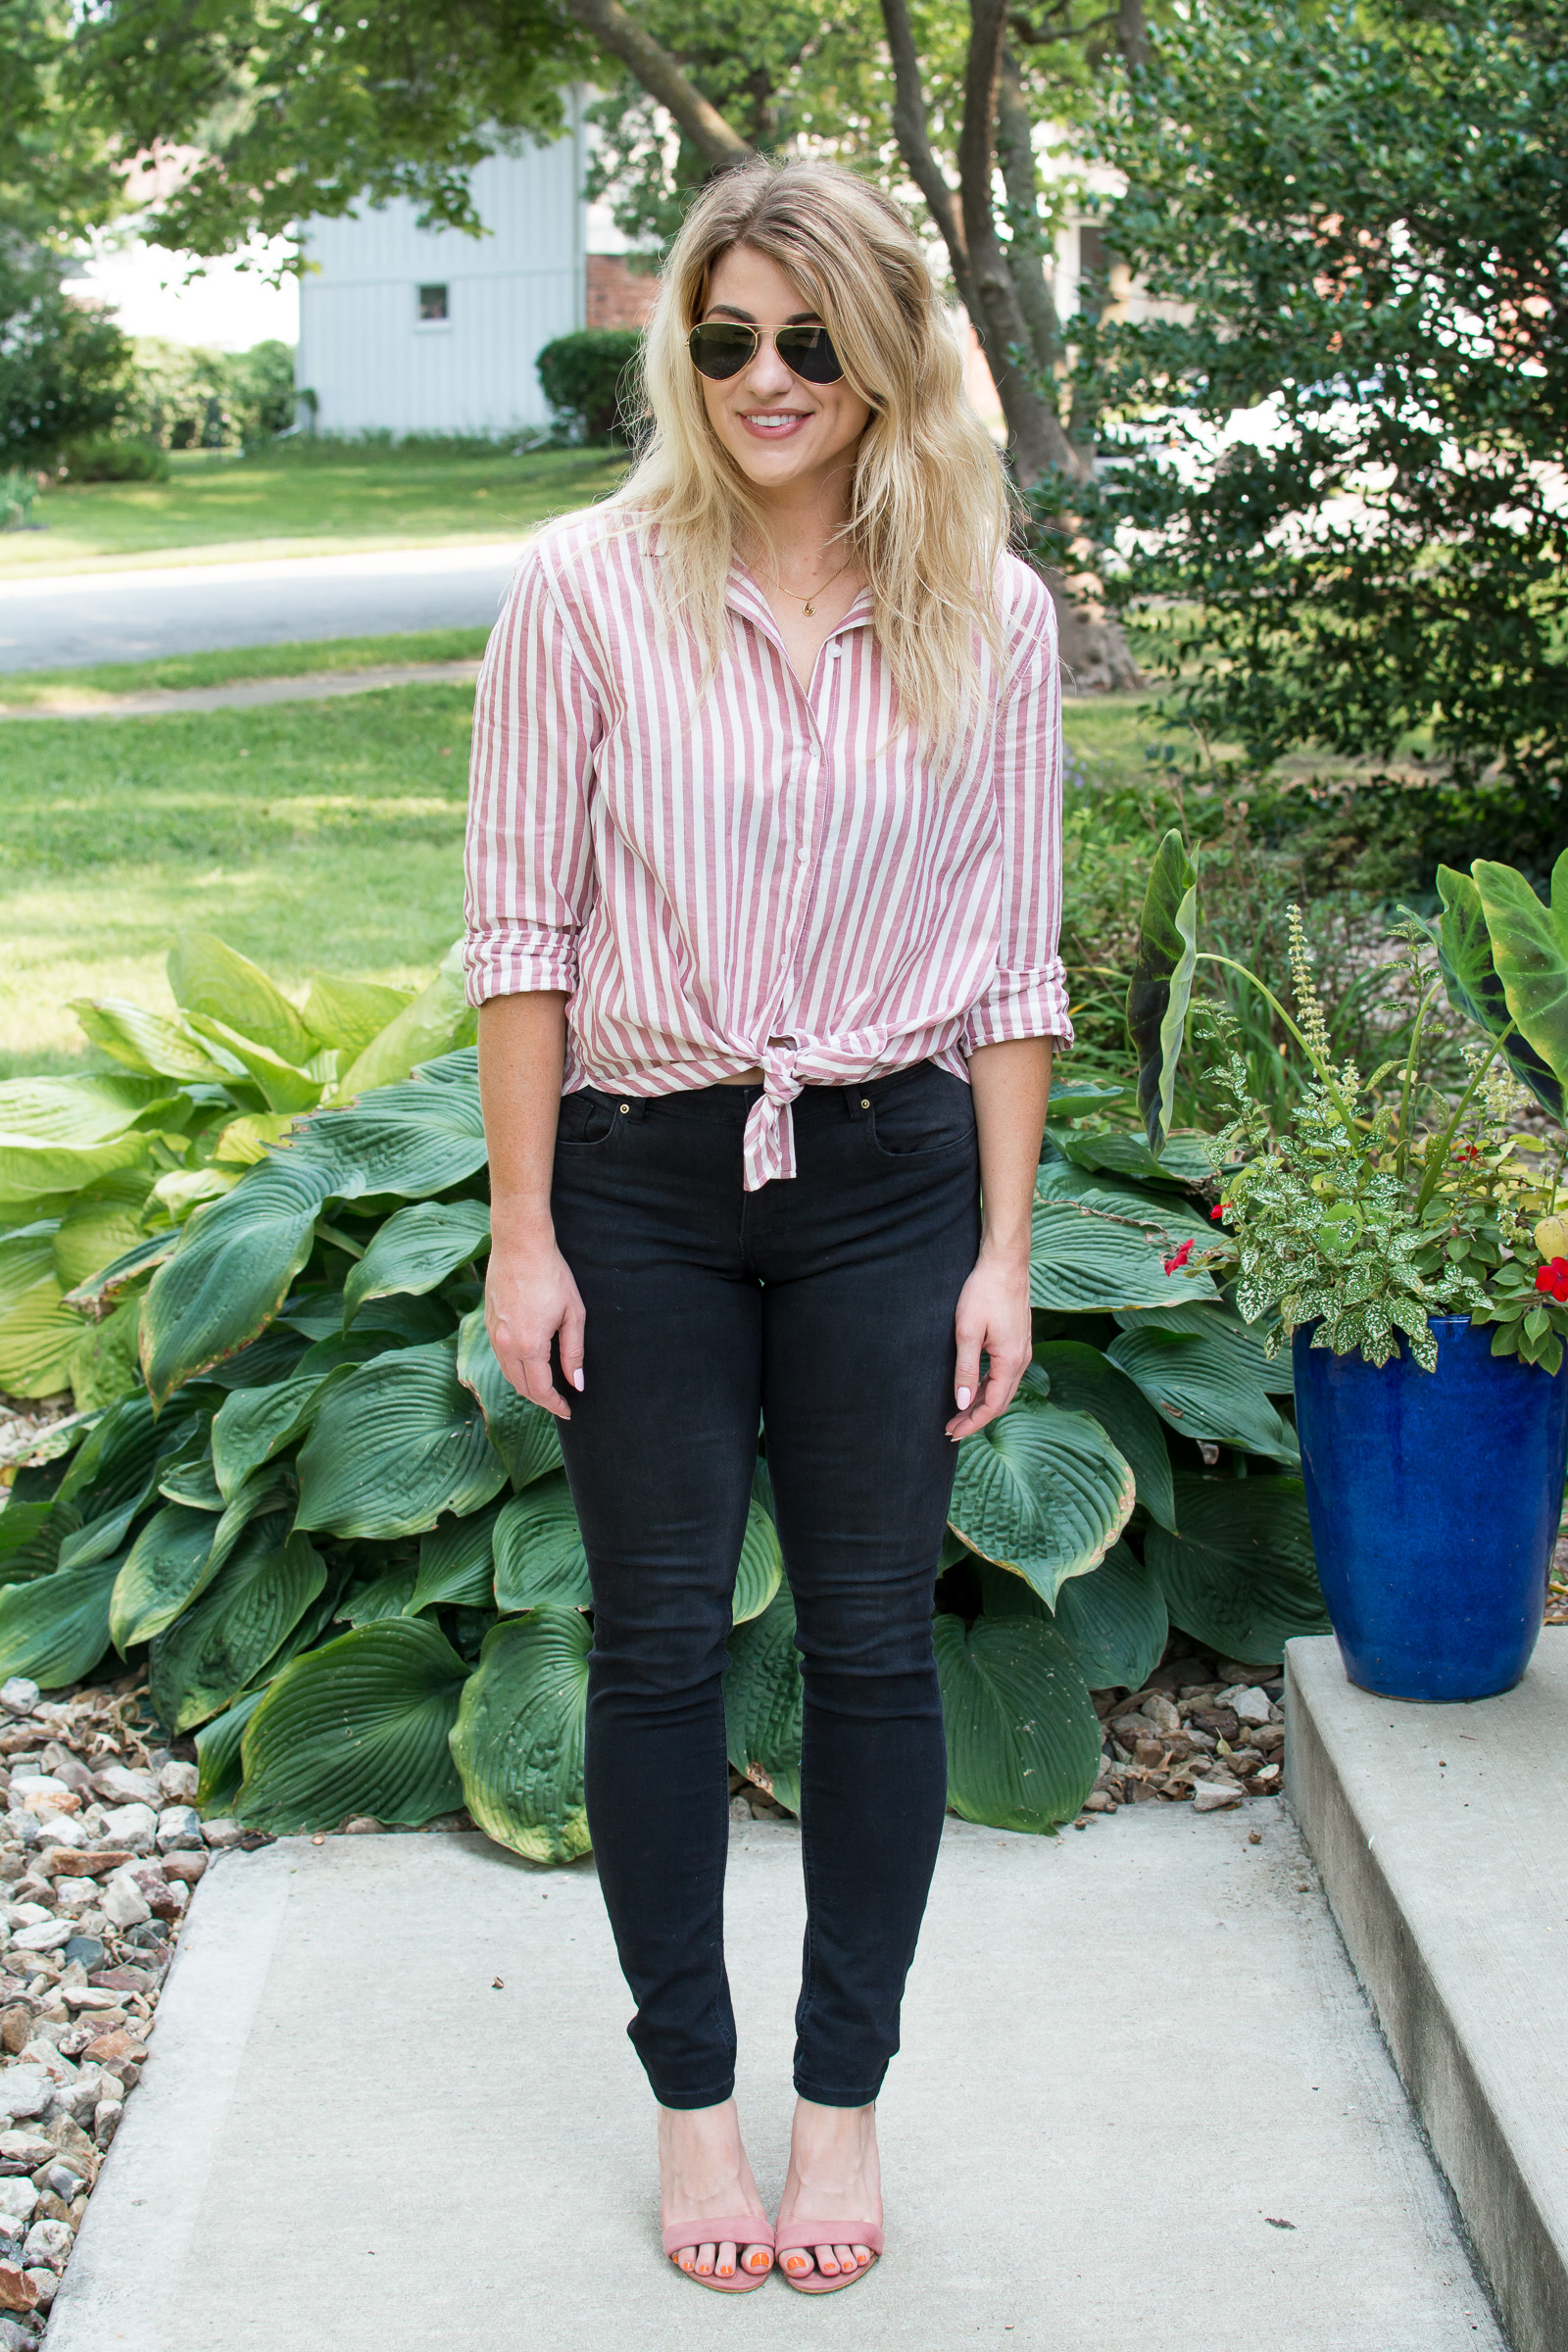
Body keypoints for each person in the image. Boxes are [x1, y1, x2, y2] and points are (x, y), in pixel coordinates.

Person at [465, 155, 1069, 2297]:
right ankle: (687, 2112)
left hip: (890, 1184)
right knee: (650, 1648)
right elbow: (520, 933)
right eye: (721, 339)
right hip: (640, 1185)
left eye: (809, 340)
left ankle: (838, 2112)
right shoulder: (582, 587)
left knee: (871, 1650)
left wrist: (1000, 1254)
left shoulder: (981, 608)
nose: (762, 378)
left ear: (883, 351)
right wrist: (522, 1230)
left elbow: (1012, 966)